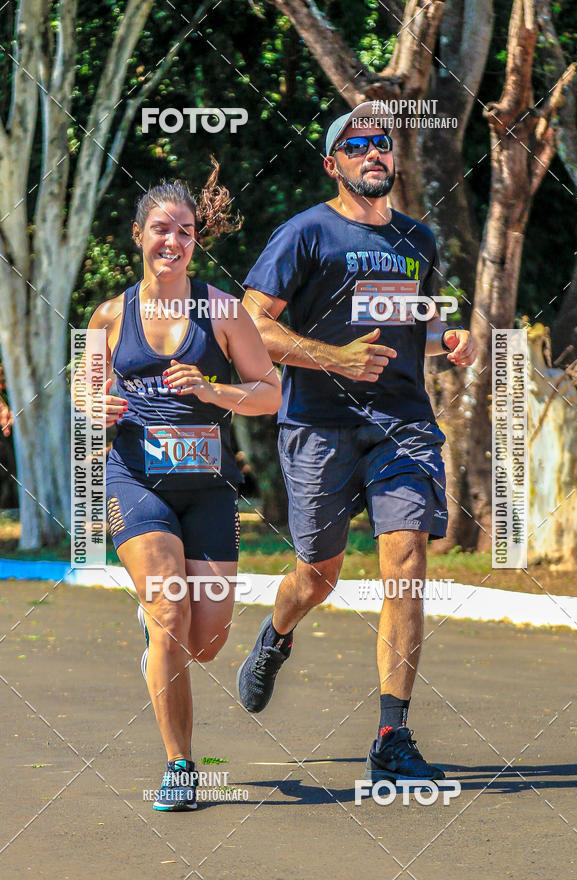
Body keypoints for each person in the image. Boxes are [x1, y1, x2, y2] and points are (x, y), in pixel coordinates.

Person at [237, 101, 477, 784]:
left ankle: (391, 736)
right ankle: (276, 634)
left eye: (383, 142)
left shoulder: (419, 240)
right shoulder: (304, 234)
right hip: (318, 426)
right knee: (319, 575)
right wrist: (331, 358)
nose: (375, 152)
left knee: (405, 563)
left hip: (401, 425)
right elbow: (253, 329)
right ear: (332, 163)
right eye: (358, 144)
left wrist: (448, 339)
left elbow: (417, 327)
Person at [81, 168, 280, 810]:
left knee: (206, 642)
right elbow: (85, 397)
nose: (173, 241)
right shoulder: (108, 316)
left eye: (185, 232)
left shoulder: (222, 312)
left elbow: (269, 392)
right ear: (138, 234)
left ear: (197, 241)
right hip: (134, 479)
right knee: (169, 610)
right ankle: (181, 768)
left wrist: (211, 390)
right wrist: (98, 410)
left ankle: (158, 643)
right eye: (160, 229)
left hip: (209, 487)